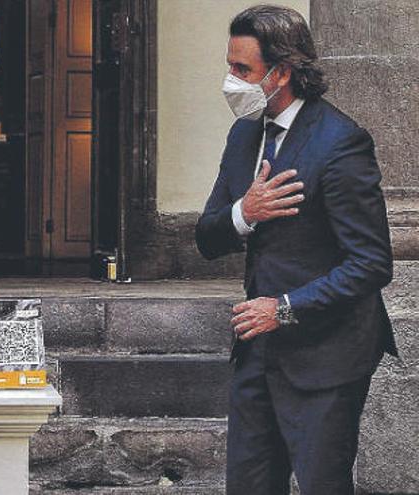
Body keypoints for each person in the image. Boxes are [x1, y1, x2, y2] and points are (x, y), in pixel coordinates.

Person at [195, 5, 395, 494]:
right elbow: (207, 236)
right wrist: (247, 210)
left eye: (242, 69)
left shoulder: (341, 142)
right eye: (230, 65)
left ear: (282, 72)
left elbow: (371, 263)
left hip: (327, 355)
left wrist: (284, 309)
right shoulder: (244, 135)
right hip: (257, 354)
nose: (230, 80)